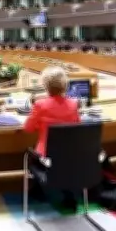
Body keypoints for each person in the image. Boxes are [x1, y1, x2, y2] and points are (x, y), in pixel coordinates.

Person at [24, 67, 81, 210]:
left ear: (45, 85)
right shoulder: (74, 104)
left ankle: (39, 191)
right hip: (71, 157)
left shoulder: (40, 105)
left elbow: (28, 128)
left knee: (31, 157)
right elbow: (77, 126)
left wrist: (41, 124)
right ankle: (68, 195)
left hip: (46, 158)